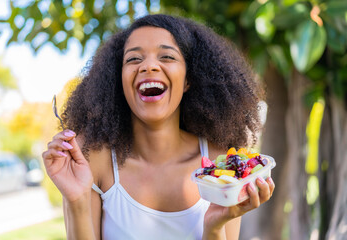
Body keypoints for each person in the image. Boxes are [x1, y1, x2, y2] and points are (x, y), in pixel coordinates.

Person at [42, 14, 275, 240]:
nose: (149, 66)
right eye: (134, 59)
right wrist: (76, 200)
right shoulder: (94, 160)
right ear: (118, 80)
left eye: (167, 57)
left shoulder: (219, 163)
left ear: (188, 80)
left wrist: (214, 226)